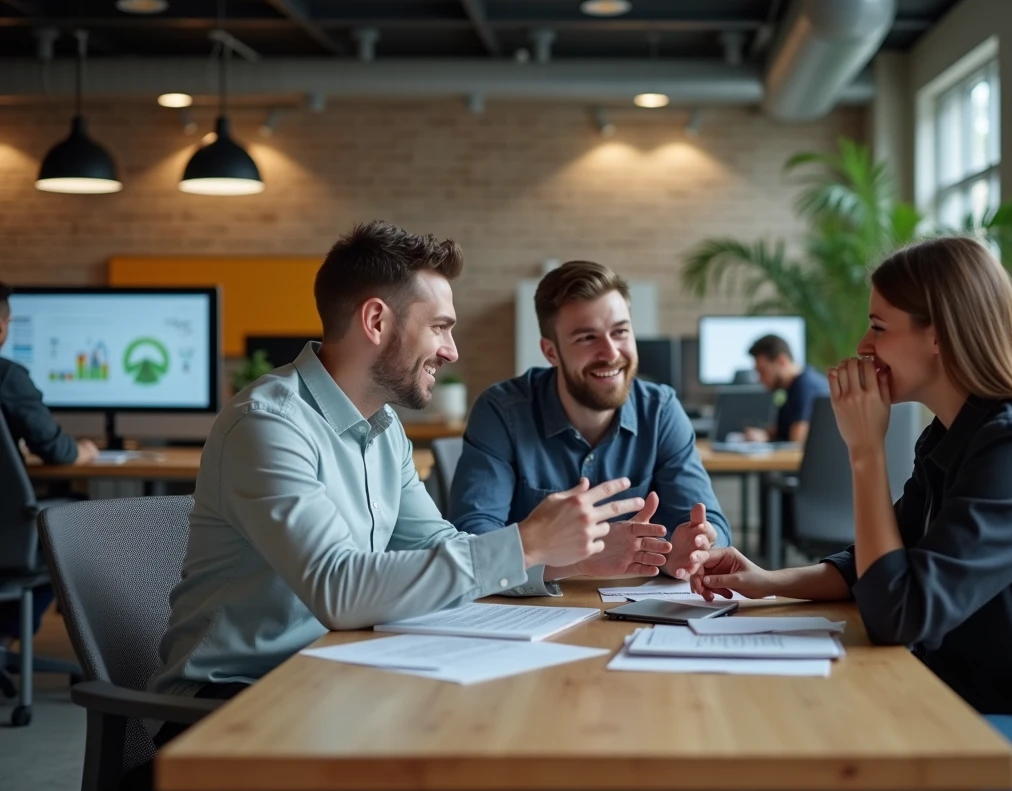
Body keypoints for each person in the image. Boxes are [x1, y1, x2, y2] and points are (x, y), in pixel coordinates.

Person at [693, 237, 1012, 791]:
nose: (863, 344)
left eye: (879, 327)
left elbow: (902, 614)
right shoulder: (950, 436)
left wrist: (865, 452)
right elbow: (879, 562)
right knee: (779, 735)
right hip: (969, 707)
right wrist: (766, 583)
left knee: (829, 778)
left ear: (937, 334)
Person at [149, 224, 646, 724]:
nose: (451, 351)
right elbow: (338, 589)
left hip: (336, 671)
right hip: (231, 701)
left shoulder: (383, 429)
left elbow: (438, 546)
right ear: (376, 321)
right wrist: (526, 543)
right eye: (439, 327)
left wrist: (563, 559)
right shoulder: (268, 424)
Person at [450, 261, 730, 592]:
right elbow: (473, 540)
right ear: (551, 352)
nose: (610, 352)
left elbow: (711, 527)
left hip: (638, 613)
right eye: (587, 337)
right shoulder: (502, 411)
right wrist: (572, 561)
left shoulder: (661, 410)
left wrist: (694, 548)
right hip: (531, 615)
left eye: (620, 332)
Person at [0, 282, 97, 651]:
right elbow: (58, 451)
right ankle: (6, 636)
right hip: (6, 539)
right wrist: (83, 451)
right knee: (69, 522)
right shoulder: (7, 377)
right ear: (2, 328)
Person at [742, 334, 829, 444]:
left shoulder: (805, 387)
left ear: (782, 361)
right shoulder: (790, 388)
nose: (759, 379)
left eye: (763, 371)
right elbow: (785, 430)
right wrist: (764, 434)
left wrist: (766, 438)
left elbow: (797, 440)